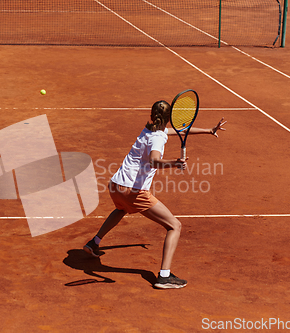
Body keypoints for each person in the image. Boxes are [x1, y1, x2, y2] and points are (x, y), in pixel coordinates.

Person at [83, 100, 226, 289]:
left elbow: (181, 131)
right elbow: (154, 161)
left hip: (116, 185)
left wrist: (209, 130)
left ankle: (94, 242)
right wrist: (174, 163)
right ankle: (164, 277)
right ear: (169, 118)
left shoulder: (149, 130)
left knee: (121, 208)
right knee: (175, 226)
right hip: (134, 192)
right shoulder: (158, 138)